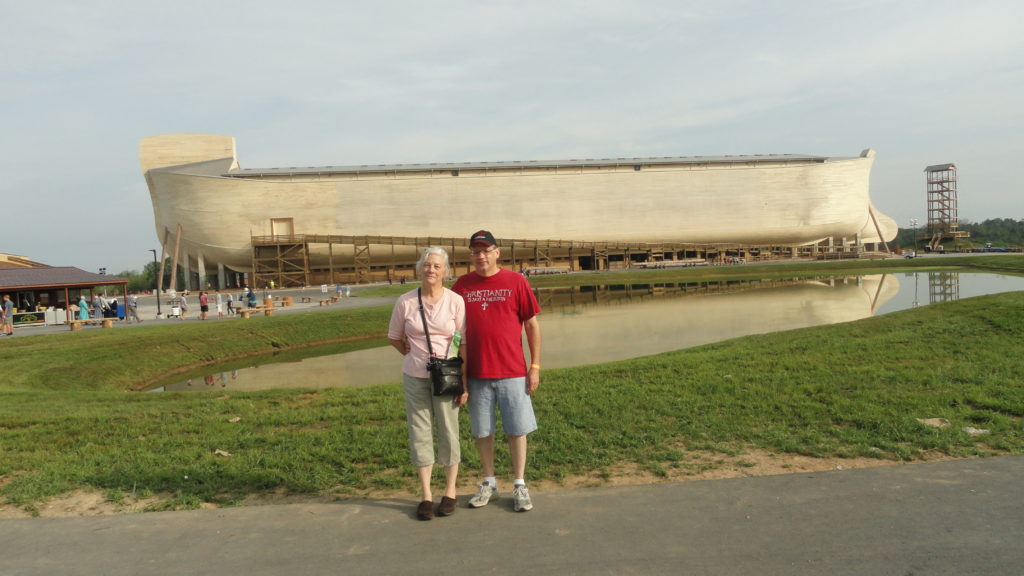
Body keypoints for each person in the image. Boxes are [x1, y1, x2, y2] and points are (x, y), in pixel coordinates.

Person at [452, 230, 542, 512]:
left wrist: (534, 366)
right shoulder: (462, 286)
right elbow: (454, 331)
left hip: (513, 371)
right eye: (475, 252)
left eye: (485, 251)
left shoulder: (516, 281)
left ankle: (519, 484)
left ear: (496, 252)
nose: (480, 256)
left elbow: (531, 325)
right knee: (483, 431)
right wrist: (458, 373)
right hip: (477, 375)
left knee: (517, 430)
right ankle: (489, 481)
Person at [387, 247, 467, 521]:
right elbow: (395, 337)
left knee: (448, 430)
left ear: (445, 271)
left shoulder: (455, 301)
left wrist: (461, 380)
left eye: (436, 266)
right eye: (427, 265)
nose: (431, 270)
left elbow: (460, 341)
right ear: (420, 269)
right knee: (419, 431)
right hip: (415, 377)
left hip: (446, 377)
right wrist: (412, 355)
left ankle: (450, 491)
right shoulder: (406, 302)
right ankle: (425, 495)